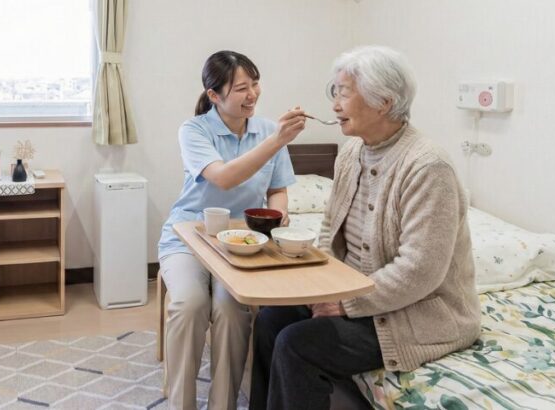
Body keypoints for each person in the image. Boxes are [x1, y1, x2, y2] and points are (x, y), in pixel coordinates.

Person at [250, 46, 481, 410]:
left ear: (383, 102)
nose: (334, 105)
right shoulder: (350, 152)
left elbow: (420, 270)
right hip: (358, 295)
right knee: (270, 319)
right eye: (335, 92)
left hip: (415, 313)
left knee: (297, 344)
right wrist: (320, 289)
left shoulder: (428, 167)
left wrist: (345, 303)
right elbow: (330, 231)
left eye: (344, 93)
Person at [158, 50, 307, 410]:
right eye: (241, 88)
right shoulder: (194, 130)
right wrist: (277, 141)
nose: (252, 94)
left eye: (255, 84)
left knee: (230, 310)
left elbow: (278, 189)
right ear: (214, 95)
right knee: (189, 304)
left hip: (244, 240)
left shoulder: (268, 131)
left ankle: (222, 404)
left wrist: (278, 213)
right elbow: (223, 178)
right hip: (189, 233)